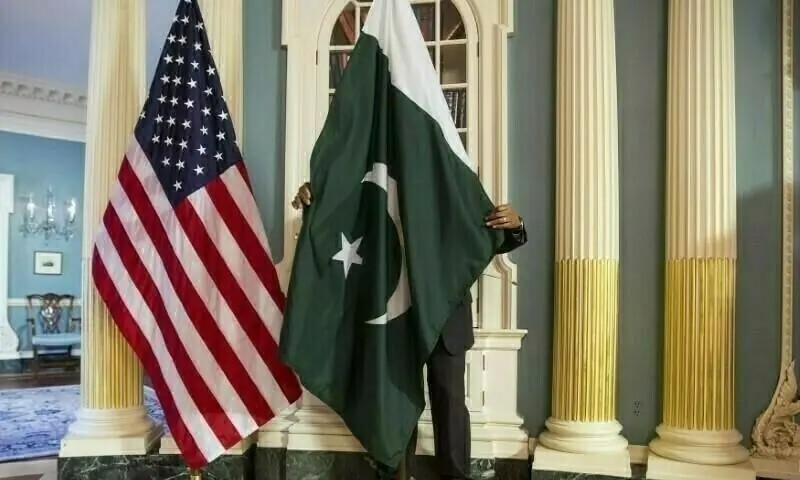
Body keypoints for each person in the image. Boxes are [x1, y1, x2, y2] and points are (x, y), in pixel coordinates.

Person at [291, 182, 528, 480]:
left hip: (447, 317)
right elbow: (345, 224)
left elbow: (488, 235)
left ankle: (454, 476)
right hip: (397, 317)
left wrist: (516, 225)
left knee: (450, 403)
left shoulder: (452, 182)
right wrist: (317, 201)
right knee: (397, 404)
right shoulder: (384, 181)